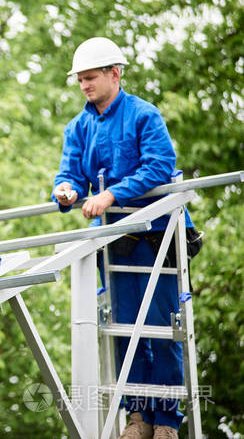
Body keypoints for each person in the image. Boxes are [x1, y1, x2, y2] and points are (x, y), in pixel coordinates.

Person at [52, 37, 196, 438]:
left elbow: (159, 166)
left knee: (163, 329)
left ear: (115, 74)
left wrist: (110, 195)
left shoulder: (143, 116)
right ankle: (138, 415)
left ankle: (166, 420)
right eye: (80, 80)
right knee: (122, 328)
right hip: (115, 243)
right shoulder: (78, 128)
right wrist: (65, 190)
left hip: (155, 238)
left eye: (91, 77)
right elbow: (70, 174)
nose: (85, 85)